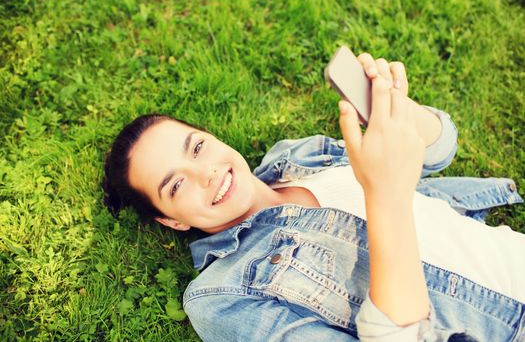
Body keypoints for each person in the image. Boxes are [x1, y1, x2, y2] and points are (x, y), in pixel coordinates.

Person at [102, 53, 525, 342]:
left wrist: (396, 108)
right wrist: (387, 197)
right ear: (172, 220)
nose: (207, 172)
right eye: (176, 185)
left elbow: (440, 147)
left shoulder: (297, 155)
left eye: (197, 147)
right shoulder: (219, 297)